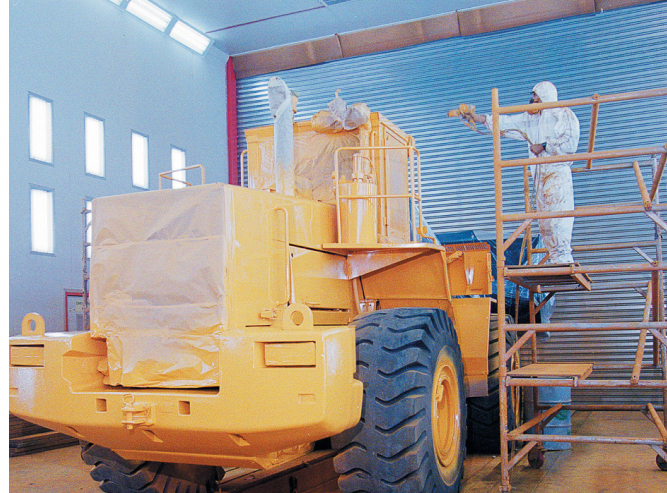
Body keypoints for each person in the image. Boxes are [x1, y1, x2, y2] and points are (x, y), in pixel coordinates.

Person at [471, 81, 580, 264]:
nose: (532, 99)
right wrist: (479, 118)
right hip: (540, 176)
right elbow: (506, 123)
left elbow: (570, 143)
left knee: (558, 218)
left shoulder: (563, 114)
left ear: (545, 96)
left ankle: (564, 260)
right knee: (545, 223)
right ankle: (556, 261)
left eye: (535, 95)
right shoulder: (531, 119)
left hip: (557, 172)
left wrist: (544, 146)